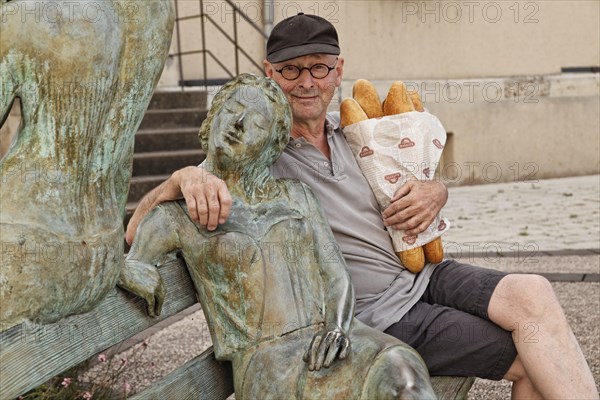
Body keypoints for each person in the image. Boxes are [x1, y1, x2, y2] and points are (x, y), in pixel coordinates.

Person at [126, 13, 598, 399]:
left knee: (534, 291)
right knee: (532, 358)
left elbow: (420, 172)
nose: (306, 82)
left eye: (319, 67)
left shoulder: (360, 131)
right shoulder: (252, 155)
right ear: (270, 74)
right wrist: (180, 178)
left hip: (426, 276)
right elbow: (136, 231)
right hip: (379, 315)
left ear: (338, 71)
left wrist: (437, 190)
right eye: (291, 70)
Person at [119, 73, 436, 399]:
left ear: (271, 144)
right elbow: (130, 252)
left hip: (333, 336)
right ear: (213, 115)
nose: (238, 124)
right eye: (233, 108)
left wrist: (339, 326)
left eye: (255, 122)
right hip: (268, 363)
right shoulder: (178, 214)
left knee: (402, 370)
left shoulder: (297, 196)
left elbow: (336, 275)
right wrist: (176, 182)